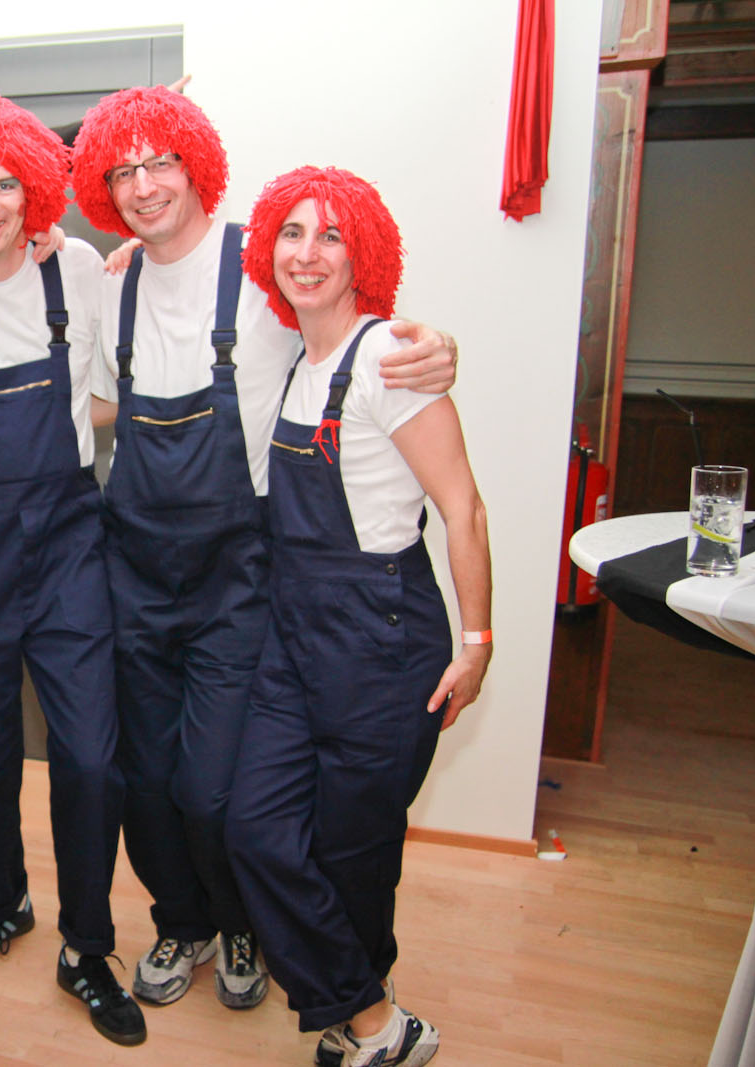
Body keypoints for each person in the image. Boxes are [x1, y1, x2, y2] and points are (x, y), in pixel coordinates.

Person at [71, 86, 460, 1018]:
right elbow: (101, 404)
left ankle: (240, 919)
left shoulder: (263, 263)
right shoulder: (110, 284)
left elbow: (356, 330)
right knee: (147, 783)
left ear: (196, 166)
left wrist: (437, 346)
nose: (144, 185)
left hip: (238, 580)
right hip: (137, 571)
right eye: (123, 171)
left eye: (161, 162)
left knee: (212, 789)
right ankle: (183, 921)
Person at [224, 166, 490, 1067]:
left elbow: (463, 507)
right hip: (295, 632)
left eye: (331, 235)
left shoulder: (389, 358)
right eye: (292, 233)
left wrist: (478, 642)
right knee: (255, 827)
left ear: (362, 254)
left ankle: (360, 1022)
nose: (308, 253)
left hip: (382, 635)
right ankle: (379, 1019)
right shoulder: (295, 360)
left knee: (354, 852)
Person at [0, 92, 142, 1047]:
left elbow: (121, 386)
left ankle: (87, 945)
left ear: (36, 190)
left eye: (7, 185)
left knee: (90, 757)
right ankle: (0, 901)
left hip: (67, 542)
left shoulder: (77, 266)